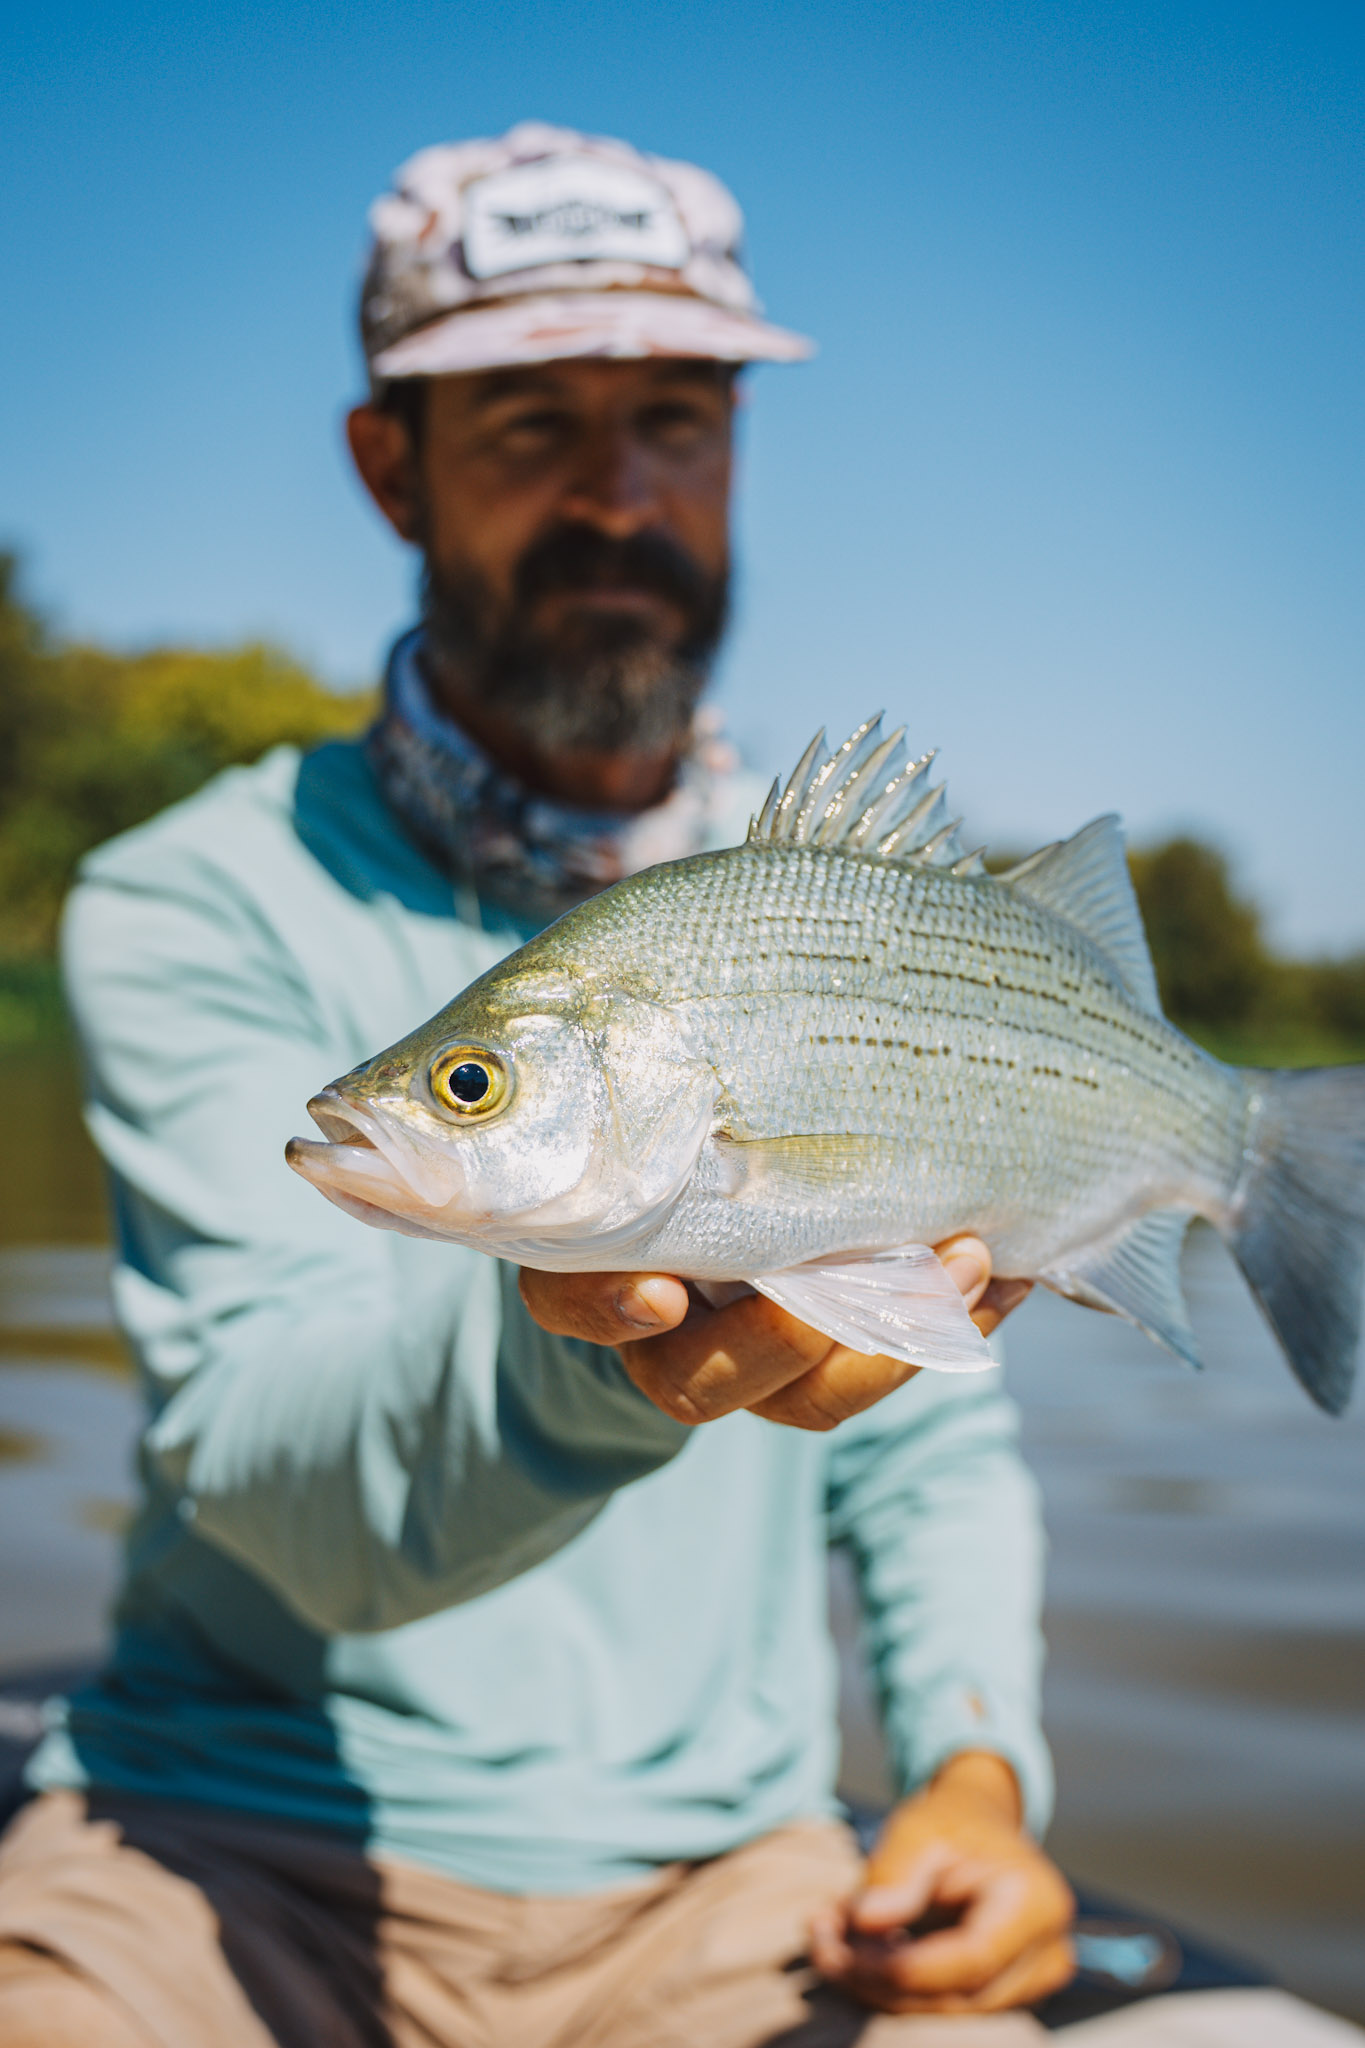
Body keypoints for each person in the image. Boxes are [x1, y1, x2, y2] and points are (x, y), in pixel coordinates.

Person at [0, 123, 1074, 2046]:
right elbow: (269, 1467)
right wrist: (586, 1347)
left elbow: (928, 1437)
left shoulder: (841, 904)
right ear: (383, 464)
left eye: (677, 416)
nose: (618, 492)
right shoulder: (194, 896)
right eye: (526, 424)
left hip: (725, 1880)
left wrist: (977, 1776)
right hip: (223, 1841)